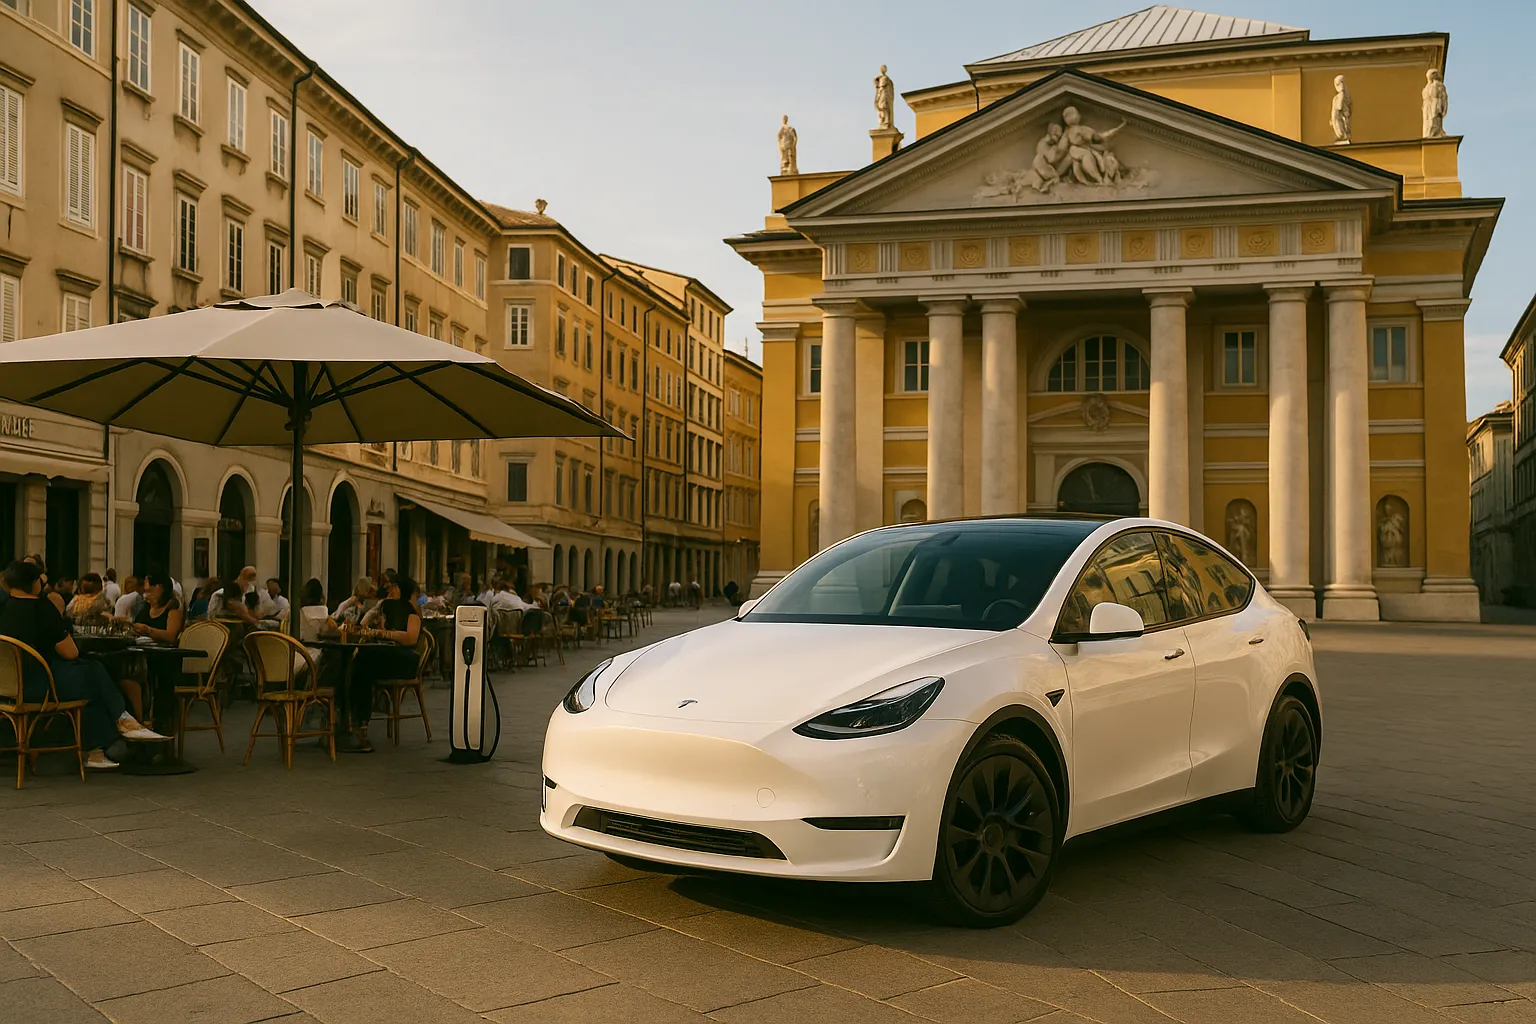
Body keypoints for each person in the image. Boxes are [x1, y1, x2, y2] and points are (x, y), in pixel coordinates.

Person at [0, 560, 165, 770]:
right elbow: (71, 652)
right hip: (41, 686)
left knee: (90, 689)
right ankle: (123, 721)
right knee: (95, 671)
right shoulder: (42, 608)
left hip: (10, 688)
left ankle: (96, 749)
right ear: (34, 583)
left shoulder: (4, 607)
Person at [350, 575, 423, 753]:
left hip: (404, 658)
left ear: (401, 589)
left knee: (362, 663)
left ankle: (358, 724)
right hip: (386, 654)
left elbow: (410, 638)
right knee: (360, 662)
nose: (389, 590)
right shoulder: (386, 606)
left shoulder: (411, 609)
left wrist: (385, 635)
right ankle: (357, 723)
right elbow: (365, 624)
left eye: (393, 588)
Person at [132, 572, 184, 725]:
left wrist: (148, 630)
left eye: (148, 590)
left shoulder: (172, 608)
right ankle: (138, 719)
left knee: (144, 674)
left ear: (160, 588)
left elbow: (170, 636)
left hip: (165, 657)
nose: (145, 593)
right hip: (145, 654)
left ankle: (157, 721)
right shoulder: (145, 608)